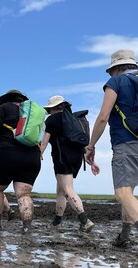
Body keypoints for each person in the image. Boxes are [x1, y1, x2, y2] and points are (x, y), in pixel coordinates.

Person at [84, 49, 138, 256]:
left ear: (116, 69)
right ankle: (124, 236)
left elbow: (103, 116)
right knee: (128, 194)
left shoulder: (116, 83)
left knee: (121, 193)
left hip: (127, 144)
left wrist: (91, 146)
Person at [0, 89, 41, 234]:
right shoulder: (32, 113)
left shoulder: (4, 108)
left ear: (6, 99)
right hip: (32, 156)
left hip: (7, 154)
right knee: (24, 195)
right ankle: (27, 227)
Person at [40, 95, 96, 232]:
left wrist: (38, 153)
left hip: (62, 158)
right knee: (61, 190)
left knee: (68, 190)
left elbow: (44, 142)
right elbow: (82, 142)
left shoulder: (52, 119)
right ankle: (57, 221)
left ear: (52, 108)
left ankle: (85, 221)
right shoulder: (73, 119)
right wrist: (92, 161)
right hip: (77, 158)